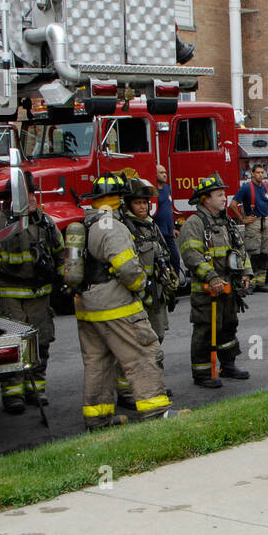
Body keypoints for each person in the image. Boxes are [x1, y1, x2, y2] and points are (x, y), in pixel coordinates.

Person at [75, 173, 170, 428]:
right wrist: (141, 285)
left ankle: (98, 419)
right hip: (115, 306)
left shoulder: (87, 223)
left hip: (87, 306)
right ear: (120, 199)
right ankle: (156, 413)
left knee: (98, 362)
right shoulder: (113, 227)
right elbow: (128, 269)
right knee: (142, 353)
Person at [0, 171, 65, 413]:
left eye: (32, 193)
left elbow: (60, 252)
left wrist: (66, 277)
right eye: (24, 194)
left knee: (41, 343)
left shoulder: (46, 222)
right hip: (12, 295)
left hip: (40, 295)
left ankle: (36, 389)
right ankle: (13, 394)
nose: (30, 198)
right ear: (11, 198)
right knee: (12, 345)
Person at [180, 172, 252, 388]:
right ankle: (202, 374)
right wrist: (211, 278)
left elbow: (240, 248)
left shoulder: (226, 222)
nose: (224, 199)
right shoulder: (194, 223)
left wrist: (246, 272)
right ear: (205, 199)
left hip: (228, 288)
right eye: (219, 195)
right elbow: (192, 256)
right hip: (207, 291)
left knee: (228, 326)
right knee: (205, 329)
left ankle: (228, 365)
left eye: (224, 194)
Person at [116, 178, 177, 410]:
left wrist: (169, 289)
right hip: (137, 298)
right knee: (133, 345)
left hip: (157, 296)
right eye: (138, 203)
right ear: (128, 205)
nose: (142, 207)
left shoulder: (151, 226)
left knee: (156, 340)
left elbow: (162, 258)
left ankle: (153, 383)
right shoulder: (126, 230)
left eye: (145, 203)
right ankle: (126, 391)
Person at [229, 163, 268, 292]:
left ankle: (261, 283)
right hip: (253, 222)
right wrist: (242, 219)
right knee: (253, 253)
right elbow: (233, 204)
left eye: (262, 172)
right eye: (258, 173)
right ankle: (250, 284)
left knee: (264, 253)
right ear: (252, 174)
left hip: (265, 222)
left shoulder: (267, 187)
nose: (261, 175)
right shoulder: (246, 188)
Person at [153, 164, 180, 273]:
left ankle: (176, 283)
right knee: (162, 261)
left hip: (168, 232)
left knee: (175, 258)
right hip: (157, 233)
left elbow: (169, 209)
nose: (165, 175)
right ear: (154, 174)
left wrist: (173, 227)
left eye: (165, 172)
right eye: (161, 172)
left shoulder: (167, 188)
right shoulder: (152, 191)